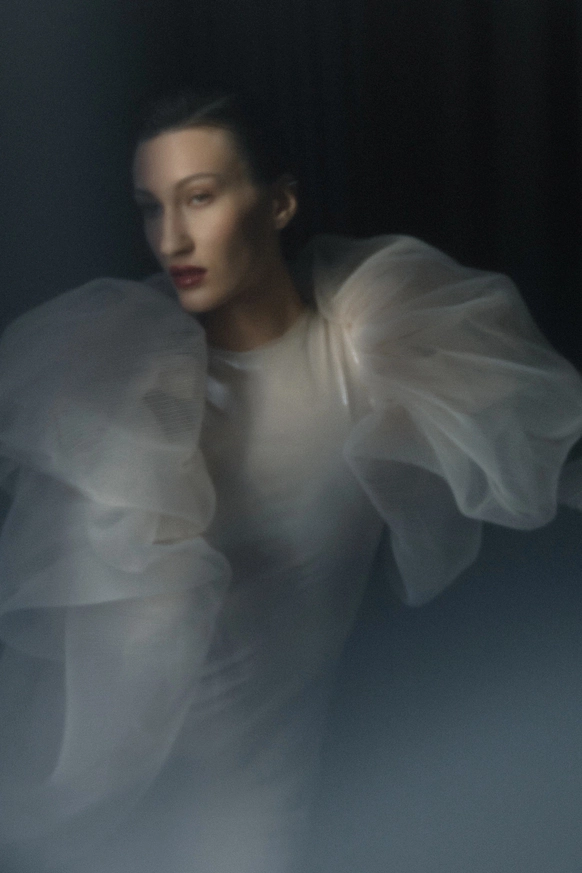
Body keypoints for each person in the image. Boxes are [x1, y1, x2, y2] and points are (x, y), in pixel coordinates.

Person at [0, 90, 581, 873]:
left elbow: (545, 446)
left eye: (199, 198)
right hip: (102, 811)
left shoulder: (368, 354)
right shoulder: (122, 381)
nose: (171, 238)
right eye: (151, 207)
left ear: (279, 203)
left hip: (262, 815)